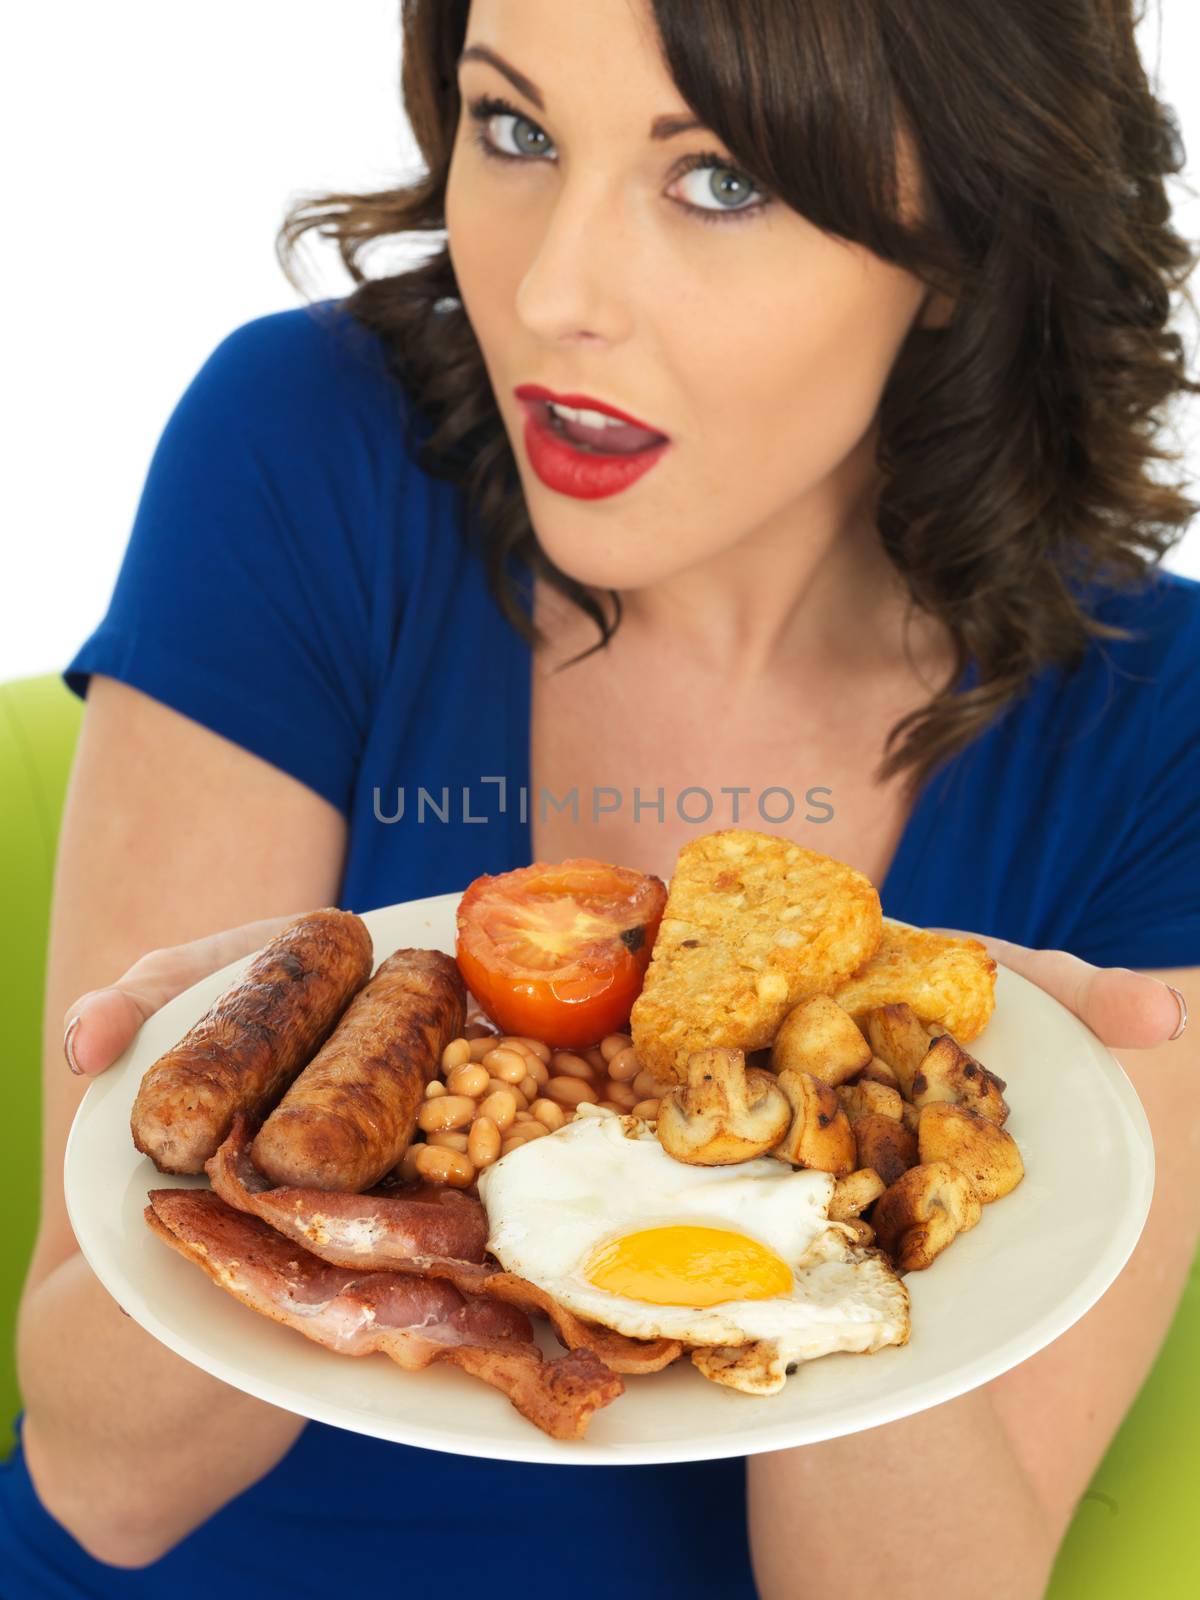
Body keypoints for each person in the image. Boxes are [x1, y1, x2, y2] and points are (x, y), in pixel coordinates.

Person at [3, 1, 1198, 1595]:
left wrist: (872, 1146)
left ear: (965, 235)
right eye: (516, 129)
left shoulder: (1162, 727)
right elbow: (105, 1485)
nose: (554, 295)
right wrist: (276, 1110)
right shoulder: (309, 448)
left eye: (719, 180)